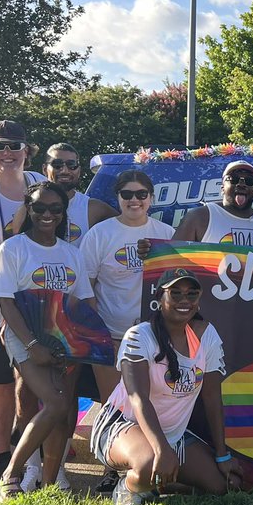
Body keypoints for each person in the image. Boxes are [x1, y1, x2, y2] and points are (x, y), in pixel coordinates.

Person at [12, 143, 119, 490]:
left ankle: (55, 467)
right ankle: (29, 466)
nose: (65, 169)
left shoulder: (97, 210)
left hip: (73, 318)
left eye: (72, 164)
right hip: (28, 320)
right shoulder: (26, 209)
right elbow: (14, 255)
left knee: (66, 395)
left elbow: (127, 235)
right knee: (26, 394)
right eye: (57, 164)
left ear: (80, 170)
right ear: (46, 168)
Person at [89, 269, 239, 505]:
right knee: (149, 462)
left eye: (191, 294)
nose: (184, 300)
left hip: (174, 435)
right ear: (160, 298)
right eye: (175, 293)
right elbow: (138, 398)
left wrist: (222, 455)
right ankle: (128, 486)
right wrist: (161, 449)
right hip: (123, 425)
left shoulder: (207, 335)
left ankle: (154, 483)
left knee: (222, 485)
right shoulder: (139, 336)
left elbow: (212, 397)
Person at [0, 181, 96, 501]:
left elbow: (83, 302)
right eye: (39, 208)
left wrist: (89, 343)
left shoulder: (71, 253)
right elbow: (5, 301)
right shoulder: (13, 249)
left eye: (55, 209)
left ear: (64, 213)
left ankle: (50, 483)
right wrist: (33, 344)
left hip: (64, 340)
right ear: (29, 209)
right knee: (54, 402)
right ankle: (11, 475)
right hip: (25, 338)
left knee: (63, 407)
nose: (47, 214)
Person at [0, 120, 47, 481]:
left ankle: (34, 454)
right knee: (2, 390)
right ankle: (5, 458)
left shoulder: (41, 186)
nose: (7, 153)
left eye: (14, 146)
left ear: (27, 151)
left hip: (37, 302)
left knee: (35, 387)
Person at [80, 170, 176, 401]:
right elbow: (84, 289)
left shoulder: (167, 234)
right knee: (112, 405)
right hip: (110, 335)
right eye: (127, 194)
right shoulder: (99, 235)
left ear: (151, 198)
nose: (134, 200)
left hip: (155, 337)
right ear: (118, 197)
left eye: (141, 194)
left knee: (152, 403)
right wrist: (100, 335)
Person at [172, 159, 253, 247]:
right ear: (222, 188)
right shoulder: (199, 218)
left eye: (249, 181)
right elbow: (173, 260)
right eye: (234, 179)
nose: (241, 184)